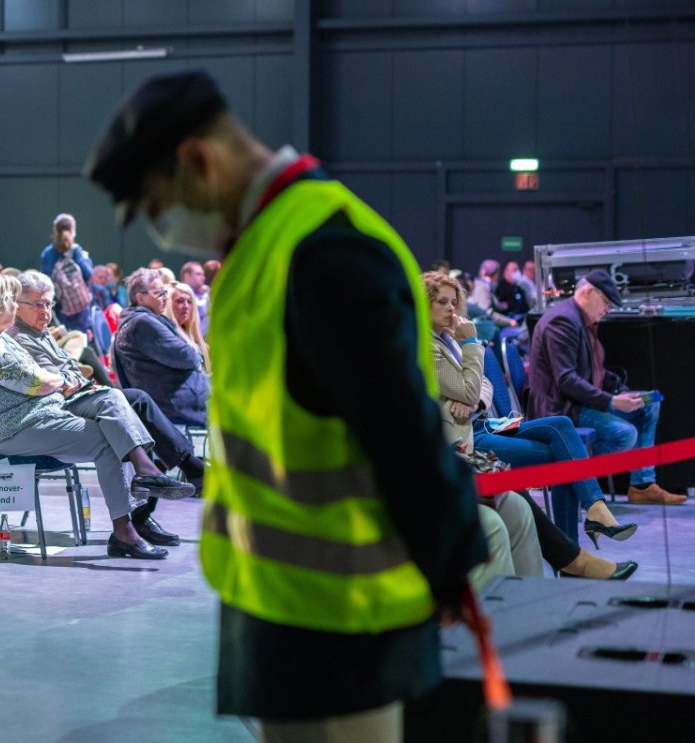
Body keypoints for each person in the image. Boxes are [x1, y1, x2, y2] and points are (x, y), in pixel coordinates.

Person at [86, 69, 487, 742]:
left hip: (349, 611)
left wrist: (450, 563)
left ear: (197, 160)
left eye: (158, 207)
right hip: (272, 600)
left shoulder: (327, 244)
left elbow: (400, 428)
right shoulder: (260, 244)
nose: (163, 233)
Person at [424, 271, 640, 577]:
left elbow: (481, 384)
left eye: (454, 301)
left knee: (560, 427)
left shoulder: (448, 338)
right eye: (442, 302)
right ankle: (572, 554)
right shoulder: (428, 346)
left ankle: (595, 510)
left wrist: (477, 400)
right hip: (470, 436)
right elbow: (471, 384)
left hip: (488, 422)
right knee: (562, 454)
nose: (451, 308)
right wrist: (472, 344)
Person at [0, 275, 195, 559]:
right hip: (8, 427)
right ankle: (130, 520)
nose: (14, 307)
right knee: (111, 433)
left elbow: (44, 379)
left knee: (114, 414)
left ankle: (132, 512)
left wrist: (56, 380)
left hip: (36, 416)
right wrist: (59, 380)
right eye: (13, 301)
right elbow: (34, 380)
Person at [528, 269, 684, 505]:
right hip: (561, 408)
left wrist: (621, 391)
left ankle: (641, 485)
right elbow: (566, 380)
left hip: (580, 402)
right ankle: (571, 475)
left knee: (648, 405)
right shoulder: (563, 321)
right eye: (606, 302)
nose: (608, 309)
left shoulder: (581, 319)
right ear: (589, 292)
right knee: (625, 434)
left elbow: (593, 369)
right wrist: (610, 401)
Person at [114, 268, 209, 427]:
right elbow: (187, 356)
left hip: (177, 404)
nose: (165, 298)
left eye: (165, 292)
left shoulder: (139, 320)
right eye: (159, 293)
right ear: (140, 298)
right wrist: (195, 353)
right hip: (175, 410)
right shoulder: (143, 323)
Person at [40, 214, 95, 334]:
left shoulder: (47, 254)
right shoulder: (76, 251)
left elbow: (45, 282)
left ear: (55, 230)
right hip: (81, 308)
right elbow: (89, 274)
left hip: (60, 308)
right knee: (80, 340)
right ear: (72, 230)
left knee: (64, 341)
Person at [165, 281, 211, 374]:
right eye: (179, 301)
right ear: (168, 304)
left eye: (189, 302)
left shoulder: (196, 339)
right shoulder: (168, 337)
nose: (186, 306)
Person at [179, 261, 210, 335]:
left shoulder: (205, 294)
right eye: (198, 274)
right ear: (187, 276)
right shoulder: (178, 294)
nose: (203, 278)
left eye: (203, 275)